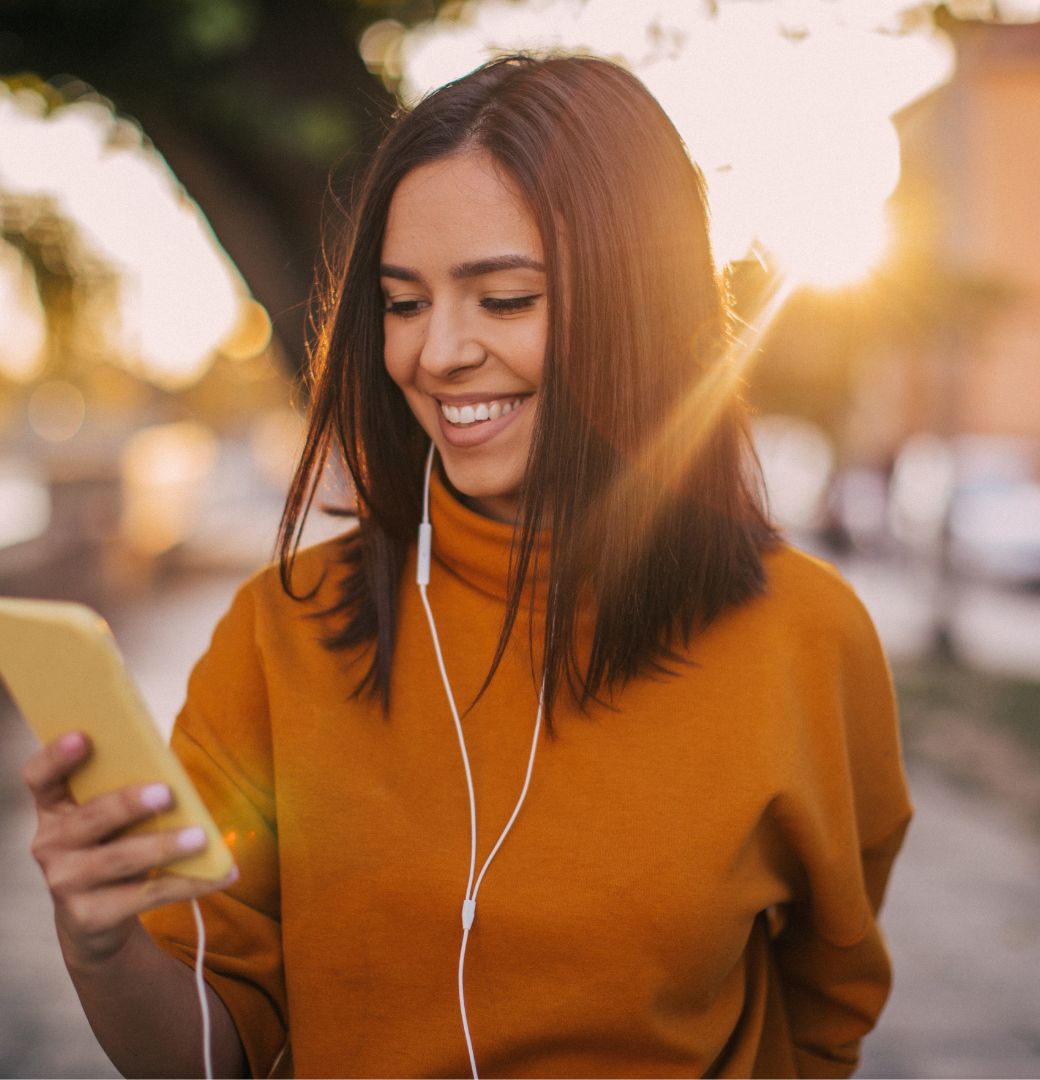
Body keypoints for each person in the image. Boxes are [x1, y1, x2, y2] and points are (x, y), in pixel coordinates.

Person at [22, 54, 911, 1079]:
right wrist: (99, 948)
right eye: (403, 304)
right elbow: (206, 1056)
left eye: (504, 299)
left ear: (640, 305)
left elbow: (824, 1013)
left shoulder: (809, 636)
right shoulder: (282, 632)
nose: (437, 353)